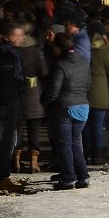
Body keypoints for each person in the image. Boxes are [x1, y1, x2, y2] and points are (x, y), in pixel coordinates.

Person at [42, 33, 91, 190]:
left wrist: (45, 103)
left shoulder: (60, 65)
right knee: (75, 142)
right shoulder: (83, 62)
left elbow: (53, 91)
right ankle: (83, 177)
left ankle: (68, 179)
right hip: (83, 107)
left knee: (64, 145)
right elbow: (89, 83)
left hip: (65, 109)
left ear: (58, 48)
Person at [0, 22, 26, 192]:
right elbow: (16, 77)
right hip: (10, 98)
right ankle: (3, 175)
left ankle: (2, 172)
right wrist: (22, 86)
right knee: (8, 136)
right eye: (19, 35)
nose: (22, 38)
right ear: (9, 36)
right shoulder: (11, 54)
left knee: (1, 134)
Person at [15, 21, 48, 173]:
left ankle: (17, 161)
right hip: (34, 94)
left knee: (17, 128)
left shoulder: (14, 50)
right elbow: (44, 71)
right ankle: (33, 163)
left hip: (17, 95)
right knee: (34, 129)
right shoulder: (36, 51)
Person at [83, 21, 109, 163]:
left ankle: (86, 153)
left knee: (85, 125)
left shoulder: (83, 48)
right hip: (99, 93)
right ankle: (98, 153)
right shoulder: (103, 50)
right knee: (98, 125)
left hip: (84, 91)